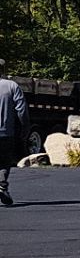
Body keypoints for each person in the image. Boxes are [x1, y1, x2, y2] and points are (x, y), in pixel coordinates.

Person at [0, 67, 28, 207]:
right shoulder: (11, 86)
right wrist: (25, 128)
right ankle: (2, 186)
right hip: (5, 132)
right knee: (4, 162)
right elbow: (21, 110)